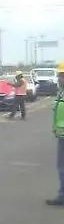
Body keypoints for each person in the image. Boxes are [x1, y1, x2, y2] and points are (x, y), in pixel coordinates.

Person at [48, 62, 64, 207]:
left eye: (62, 75)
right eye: (59, 75)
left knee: (62, 166)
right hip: (61, 135)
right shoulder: (61, 92)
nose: (59, 78)